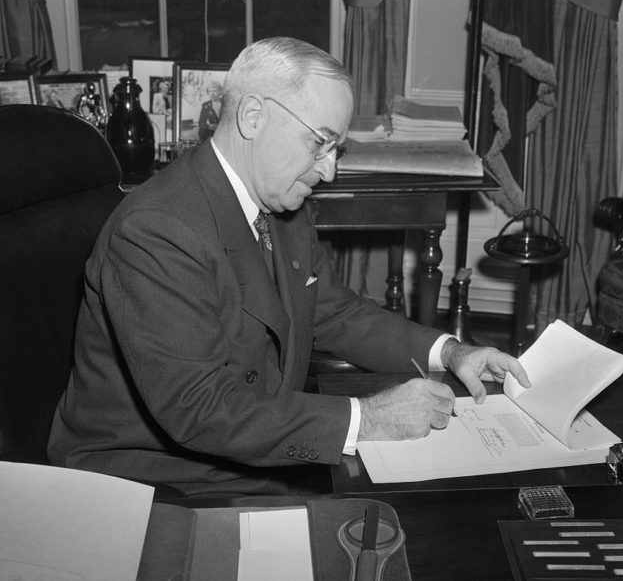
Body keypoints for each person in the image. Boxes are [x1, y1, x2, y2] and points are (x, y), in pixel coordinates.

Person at [47, 37, 530, 497]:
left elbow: (332, 312)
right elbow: (199, 408)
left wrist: (450, 353)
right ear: (253, 116)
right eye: (320, 143)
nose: (329, 171)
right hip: (159, 480)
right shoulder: (158, 229)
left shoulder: (280, 205)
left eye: (336, 149)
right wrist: (368, 418)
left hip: (242, 455)